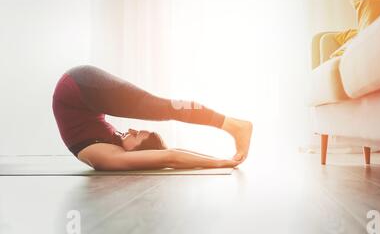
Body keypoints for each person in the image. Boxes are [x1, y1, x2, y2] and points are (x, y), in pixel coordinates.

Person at [52, 65, 253, 171]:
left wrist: (221, 162)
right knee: (163, 107)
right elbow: (170, 155)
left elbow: (169, 157)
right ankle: (234, 126)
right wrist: (218, 161)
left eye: (136, 135)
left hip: (78, 88)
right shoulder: (115, 151)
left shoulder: (108, 158)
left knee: (164, 108)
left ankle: (235, 126)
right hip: (82, 88)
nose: (131, 130)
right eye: (137, 133)